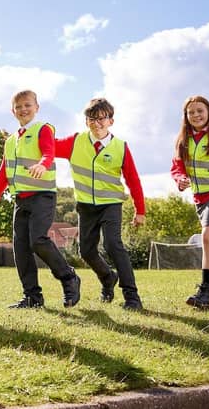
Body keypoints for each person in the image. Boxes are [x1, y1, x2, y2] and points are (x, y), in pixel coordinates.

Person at [0, 90, 81, 309]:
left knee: (38, 240)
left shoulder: (42, 129)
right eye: (19, 107)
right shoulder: (10, 141)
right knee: (21, 248)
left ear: (37, 107)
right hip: (21, 200)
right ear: (13, 111)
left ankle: (68, 278)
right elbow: (4, 171)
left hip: (42, 196)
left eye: (28, 105)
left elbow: (49, 152)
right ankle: (32, 297)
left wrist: (42, 165)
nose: (23, 110)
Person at [55, 97, 145, 310]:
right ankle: (107, 278)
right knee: (86, 251)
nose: (96, 123)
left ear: (111, 121)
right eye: (91, 118)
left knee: (113, 244)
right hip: (86, 206)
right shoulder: (75, 142)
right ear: (86, 121)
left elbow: (133, 180)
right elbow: (49, 146)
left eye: (101, 118)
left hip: (111, 204)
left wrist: (140, 210)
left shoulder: (120, 147)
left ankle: (132, 297)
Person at [171, 95, 209, 309]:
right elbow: (177, 167)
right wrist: (180, 179)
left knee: (208, 237)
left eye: (200, 111)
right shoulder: (183, 141)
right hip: (201, 200)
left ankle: (204, 294)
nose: (196, 115)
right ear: (186, 116)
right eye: (191, 112)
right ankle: (205, 294)